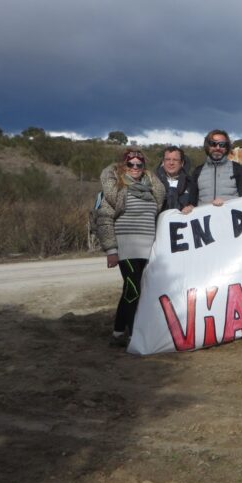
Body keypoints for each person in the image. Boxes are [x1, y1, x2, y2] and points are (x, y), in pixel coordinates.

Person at [96, 149, 166, 347]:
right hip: (126, 248)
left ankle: (118, 333)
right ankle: (134, 334)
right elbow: (104, 220)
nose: (135, 168)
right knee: (133, 289)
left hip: (148, 249)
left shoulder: (152, 190)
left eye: (139, 165)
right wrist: (111, 251)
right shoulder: (117, 190)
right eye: (130, 164)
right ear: (123, 166)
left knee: (134, 290)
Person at [190, 129, 242, 206]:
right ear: (207, 146)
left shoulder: (238, 169)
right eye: (213, 144)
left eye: (222, 144)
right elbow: (192, 202)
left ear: (227, 147)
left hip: (230, 216)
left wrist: (226, 202)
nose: (217, 148)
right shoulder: (197, 171)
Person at [156, 146, 194, 214]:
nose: (171, 163)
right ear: (163, 162)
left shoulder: (191, 184)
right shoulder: (153, 182)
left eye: (175, 160)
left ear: (182, 163)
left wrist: (192, 207)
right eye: (167, 159)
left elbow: (197, 204)